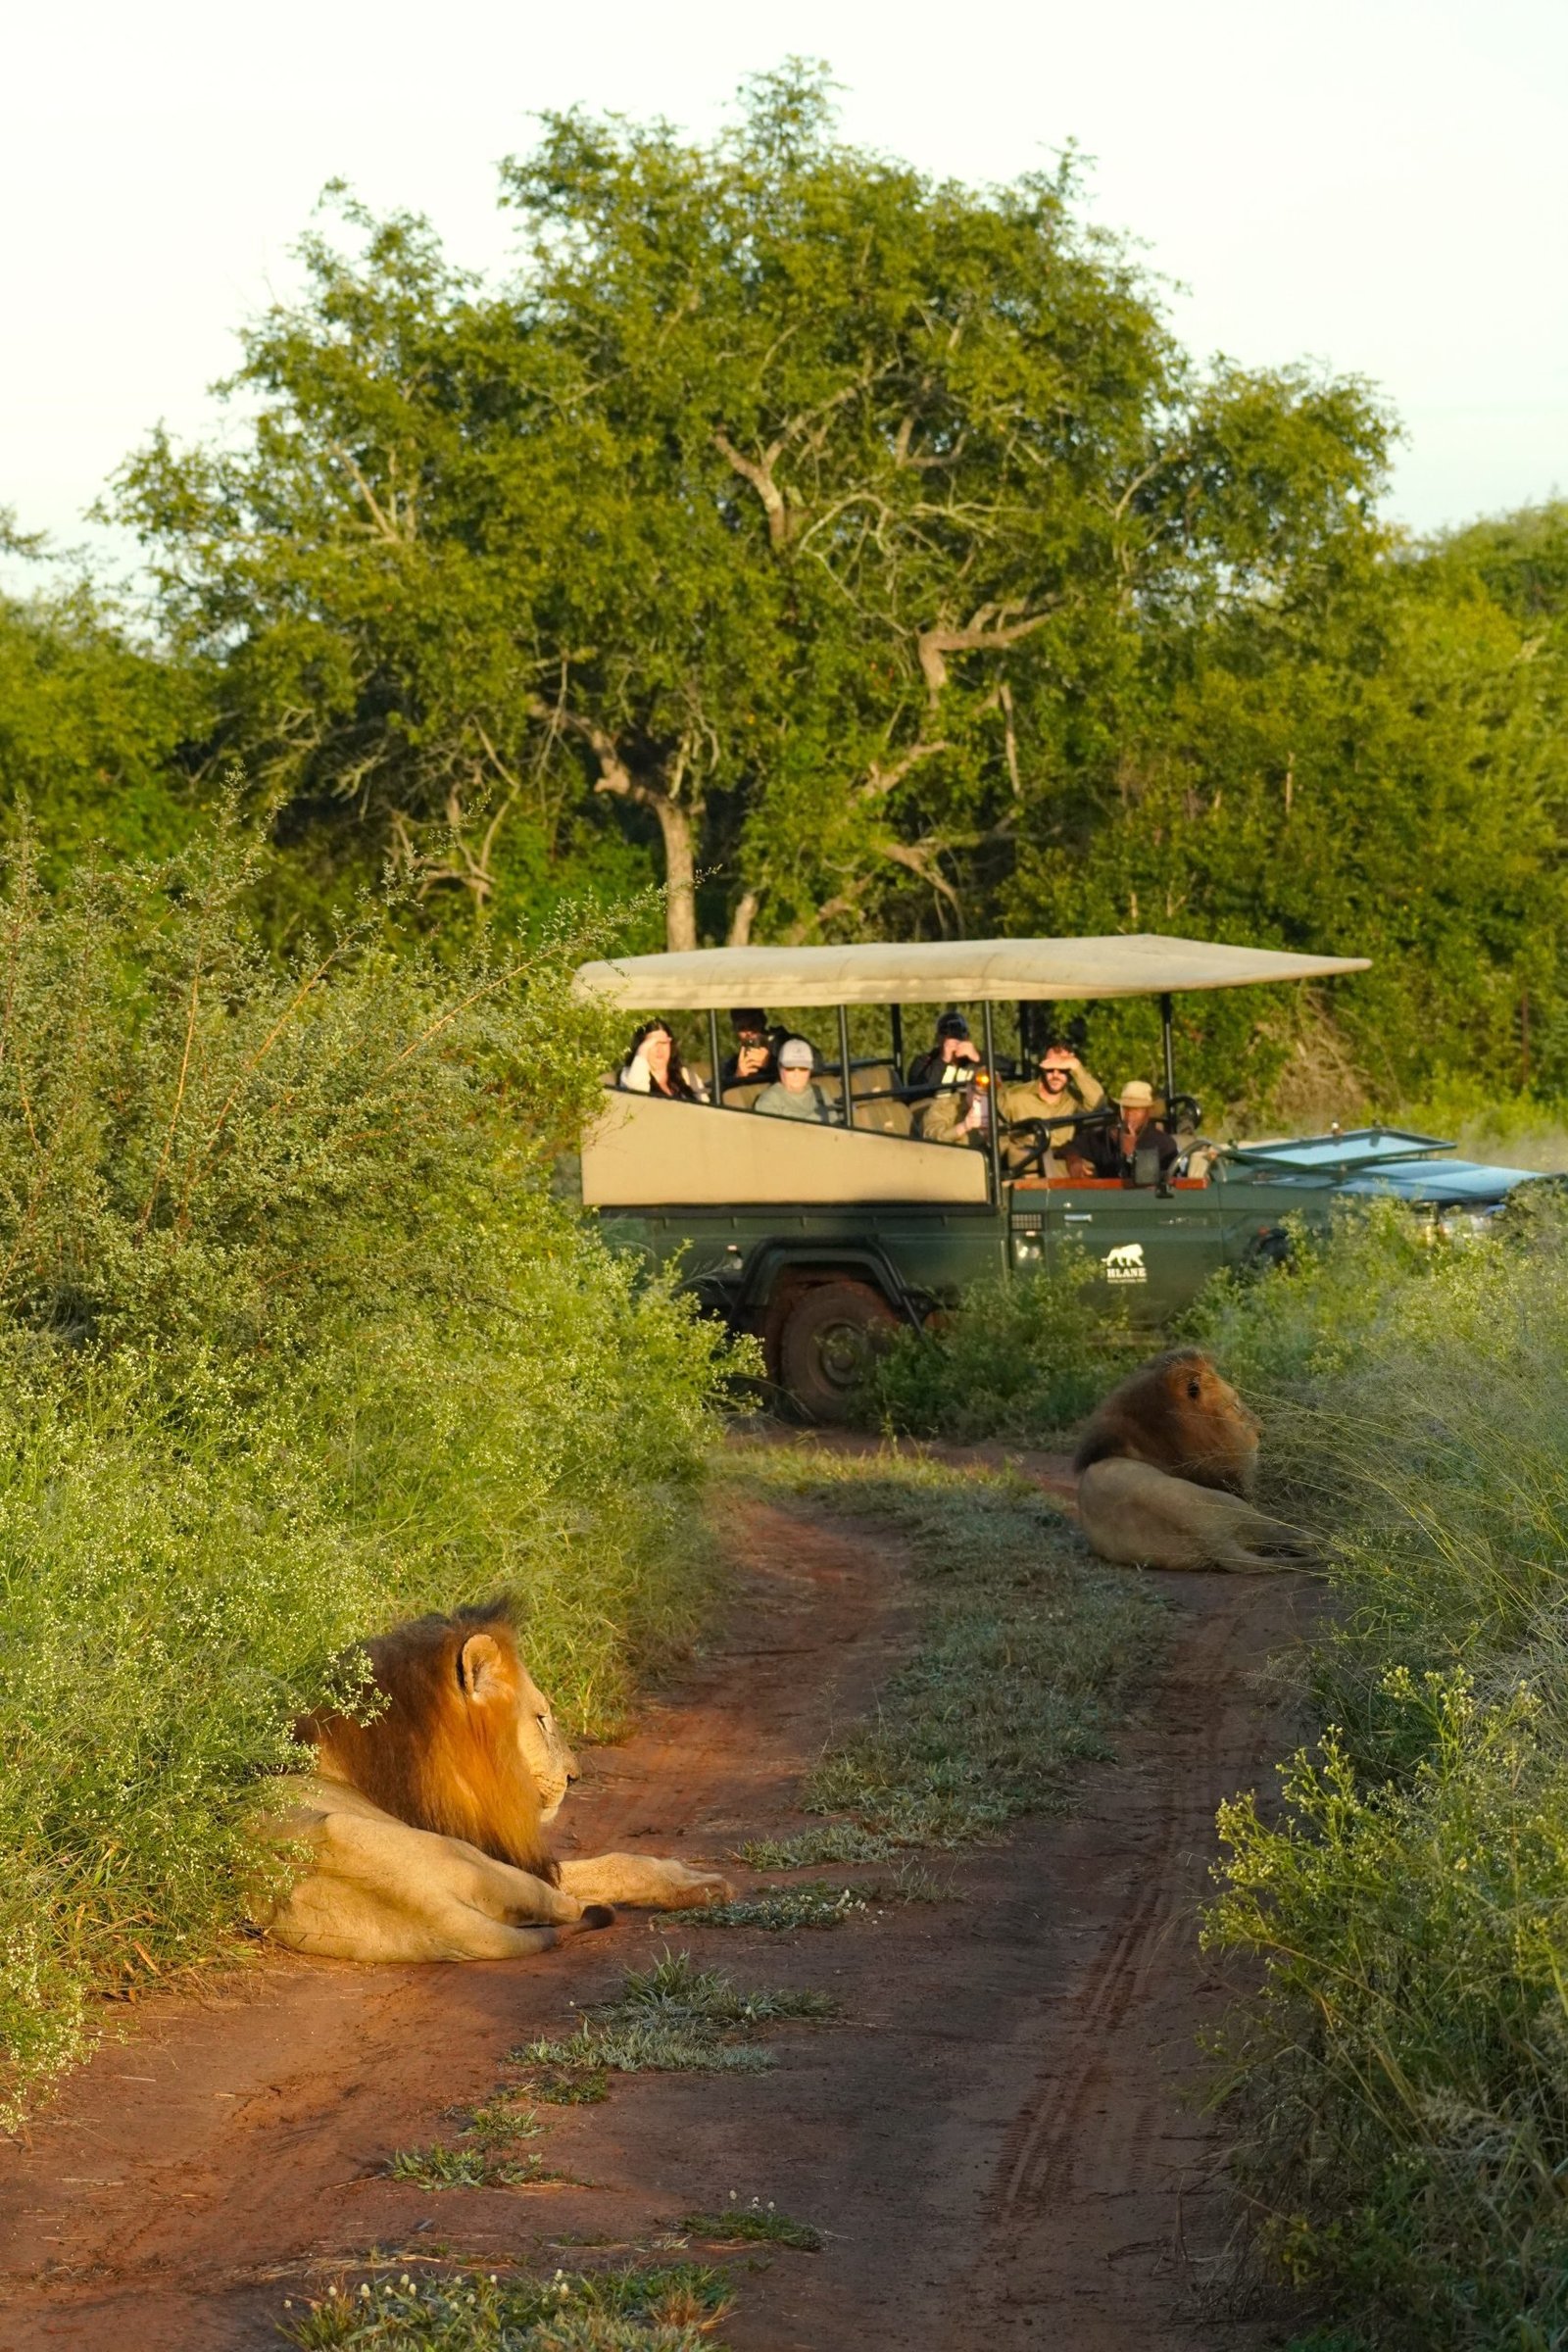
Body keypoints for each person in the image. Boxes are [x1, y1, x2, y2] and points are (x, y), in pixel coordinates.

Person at [999, 1038, 1106, 1172]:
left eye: (1063, 1070)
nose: (1055, 1075)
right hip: (1025, 1169)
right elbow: (998, 1141)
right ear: (1042, 1067)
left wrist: (1076, 1066)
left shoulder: (1073, 1099)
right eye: (1050, 1069)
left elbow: (1098, 1102)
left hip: (1062, 1167)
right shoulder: (1014, 1097)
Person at [1078, 1079, 1179, 1184]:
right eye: (1126, 1108)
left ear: (1148, 1112)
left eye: (1137, 1109)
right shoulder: (1105, 1138)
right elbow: (1070, 1147)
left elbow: (1163, 1183)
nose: (1130, 1114)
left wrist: (1131, 1152)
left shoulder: (1163, 1143)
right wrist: (1074, 1160)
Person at [616, 1019, 709, 1102]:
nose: (659, 1050)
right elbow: (637, 1098)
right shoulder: (630, 1075)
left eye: (663, 1043)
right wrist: (642, 1050)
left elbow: (706, 1110)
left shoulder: (687, 1076)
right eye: (653, 1043)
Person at [753, 1037, 837, 1123]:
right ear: (779, 1067)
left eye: (803, 1068)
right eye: (790, 1068)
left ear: (810, 1069)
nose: (796, 1074)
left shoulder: (820, 1093)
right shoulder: (769, 1101)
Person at [906, 1011, 980, 1100]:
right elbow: (918, 1093)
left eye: (960, 1032)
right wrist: (943, 1061)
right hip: (938, 1109)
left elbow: (999, 1078)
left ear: (967, 1036)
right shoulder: (924, 1062)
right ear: (937, 1038)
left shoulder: (979, 1059)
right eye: (945, 1033)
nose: (954, 1037)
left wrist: (977, 1058)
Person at [720, 1007, 778, 1090]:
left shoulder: (781, 1055)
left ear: (762, 1023)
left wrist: (768, 1065)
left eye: (753, 1025)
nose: (749, 1032)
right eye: (742, 1028)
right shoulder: (729, 1065)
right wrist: (738, 1076)